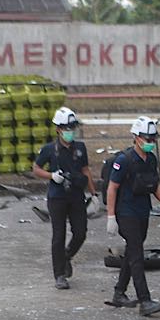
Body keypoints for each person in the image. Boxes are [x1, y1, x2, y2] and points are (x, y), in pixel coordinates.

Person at [106, 116, 160, 316]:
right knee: (137, 254)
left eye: (153, 139)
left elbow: (154, 185)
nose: (151, 143)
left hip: (142, 212)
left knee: (133, 251)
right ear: (136, 137)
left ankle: (119, 293)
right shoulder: (124, 160)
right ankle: (144, 301)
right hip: (125, 212)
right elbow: (112, 188)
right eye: (147, 139)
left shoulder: (151, 159)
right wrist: (111, 217)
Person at [32, 107, 97, 290]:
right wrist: (51, 176)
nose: (70, 132)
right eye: (67, 128)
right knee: (58, 236)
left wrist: (93, 193)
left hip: (76, 196)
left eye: (72, 128)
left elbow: (85, 170)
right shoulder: (49, 150)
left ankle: (67, 255)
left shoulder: (80, 148)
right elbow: (36, 169)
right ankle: (59, 274)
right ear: (58, 129)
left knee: (80, 233)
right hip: (57, 198)